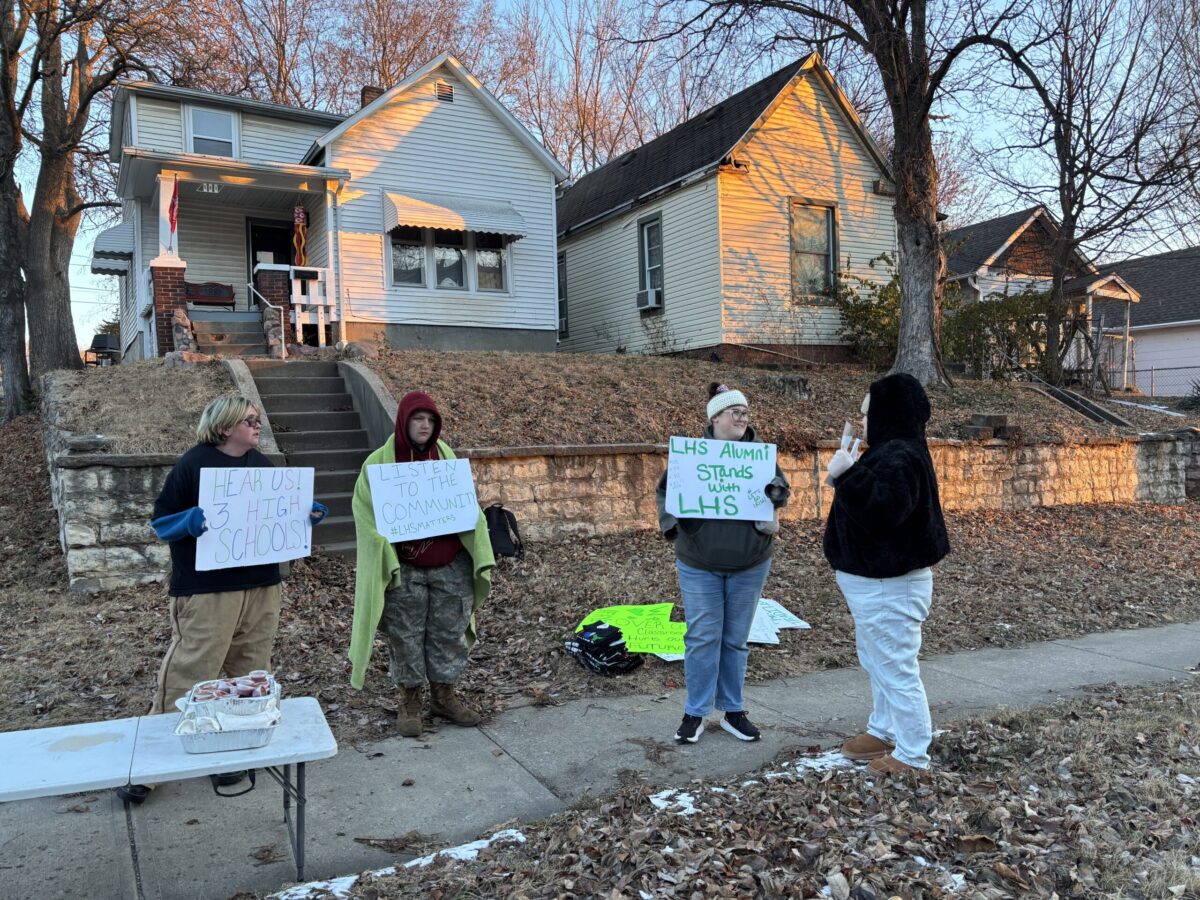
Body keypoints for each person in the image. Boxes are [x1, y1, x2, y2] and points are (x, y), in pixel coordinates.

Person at [119, 393, 328, 804]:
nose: (257, 426)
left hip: (262, 584)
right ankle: (149, 765)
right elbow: (161, 524)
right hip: (206, 588)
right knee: (193, 668)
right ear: (226, 425)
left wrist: (305, 514)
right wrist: (189, 521)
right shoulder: (193, 463)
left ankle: (230, 752)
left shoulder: (260, 464)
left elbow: (272, 514)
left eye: (256, 420)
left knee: (250, 672)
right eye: (250, 420)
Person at [824, 373, 950, 777]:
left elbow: (885, 511)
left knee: (894, 665)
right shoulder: (890, 451)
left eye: (867, 413)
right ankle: (883, 729)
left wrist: (848, 475)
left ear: (887, 413)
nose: (862, 421)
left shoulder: (902, 456)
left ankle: (913, 753)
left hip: (890, 587)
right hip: (874, 586)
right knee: (877, 660)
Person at [349, 391, 495, 738]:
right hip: (406, 568)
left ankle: (443, 696)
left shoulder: (445, 458)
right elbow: (365, 514)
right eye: (418, 419)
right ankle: (410, 700)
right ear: (403, 421)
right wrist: (386, 550)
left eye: (430, 420)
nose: (425, 426)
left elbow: (465, 506)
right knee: (405, 636)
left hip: (449, 566)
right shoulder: (378, 465)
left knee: (449, 633)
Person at [657, 383, 790, 745]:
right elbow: (666, 493)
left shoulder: (759, 455)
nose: (743, 418)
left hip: (750, 562)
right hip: (699, 562)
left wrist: (775, 495)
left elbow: (782, 489)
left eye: (746, 413)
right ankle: (695, 712)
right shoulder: (692, 454)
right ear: (715, 417)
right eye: (736, 412)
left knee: (735, 639)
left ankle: (733, 711)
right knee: (701, 637)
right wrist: (675, 527)